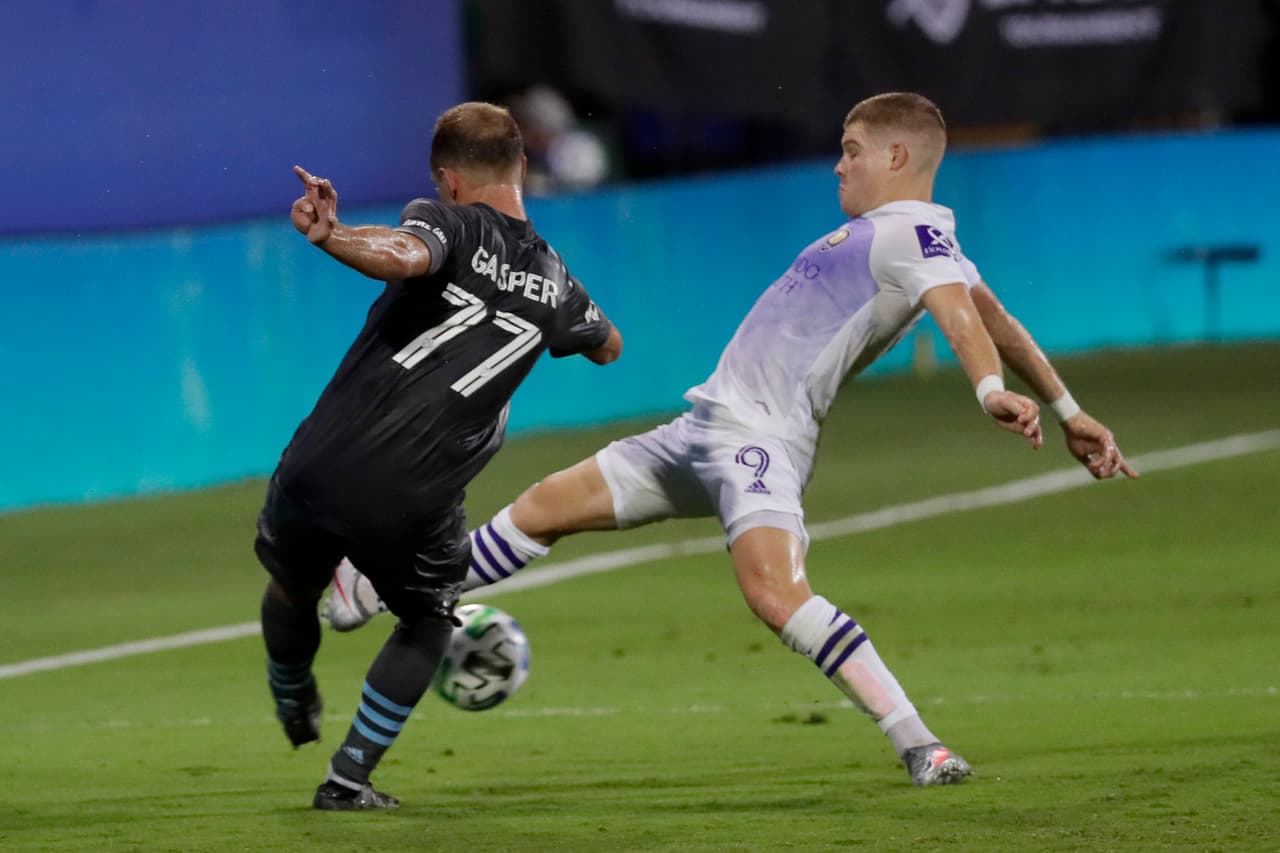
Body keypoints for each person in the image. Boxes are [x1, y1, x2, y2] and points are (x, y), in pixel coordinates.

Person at [322, 92, 1139, 786]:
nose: (838, 165)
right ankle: (372, 586)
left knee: (776, 595)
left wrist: (991, 389)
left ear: (897, 156)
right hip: (703, 428)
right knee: (541, 508)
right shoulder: (920, 239)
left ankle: (920, 743)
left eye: (852, 151)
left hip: (761, 440)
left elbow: (967, 320)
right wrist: (1069, 410)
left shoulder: (912, 236)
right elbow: (1000, 317)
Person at [256, 101, 622, 811]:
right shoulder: (555, 279)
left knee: (290, 588)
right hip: (412, 495)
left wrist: (332, 235)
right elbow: (609, 346)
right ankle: (348, 777)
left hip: (317, 462)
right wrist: (569, 321)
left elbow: (403, 252)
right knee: (426, 620)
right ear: (520, 166)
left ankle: (291, 688)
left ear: (446, 178)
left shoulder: (442, 219)